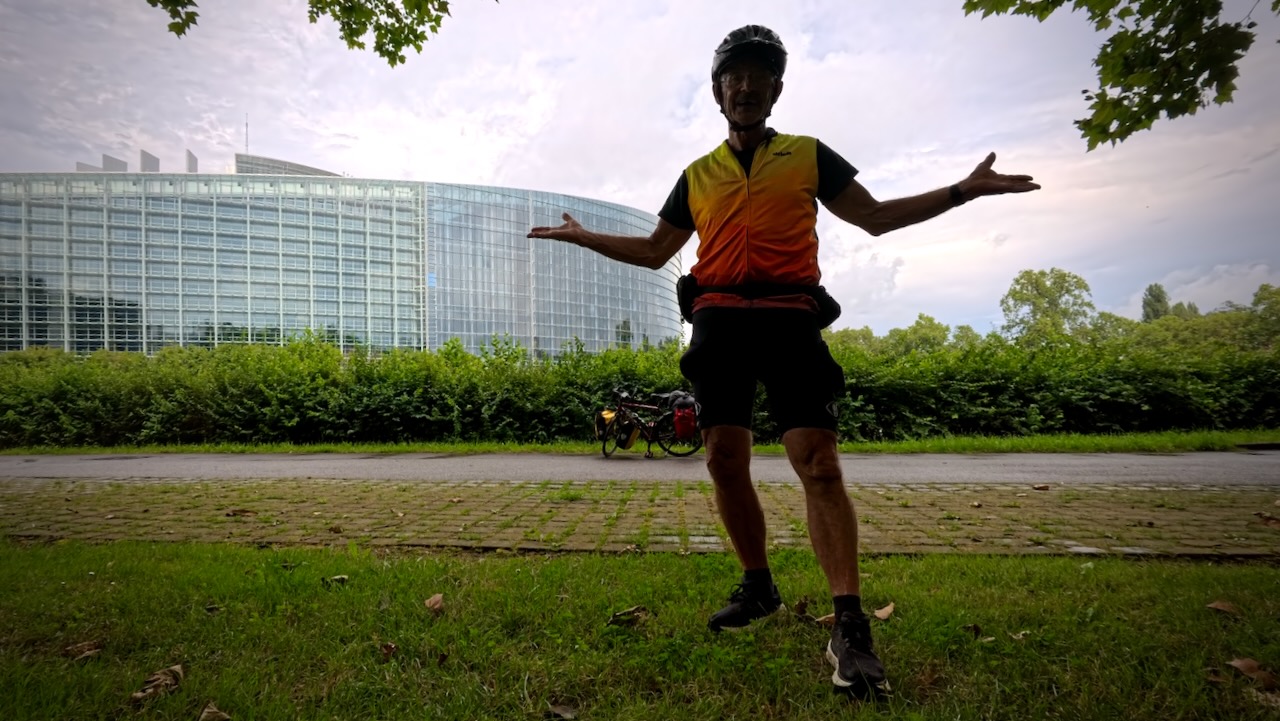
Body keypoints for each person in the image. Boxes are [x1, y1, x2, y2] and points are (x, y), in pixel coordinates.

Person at [528, 24, 1040, 698]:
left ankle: (850, 625)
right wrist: (582, 236)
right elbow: (656, 251)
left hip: (790, 316)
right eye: (733, 76)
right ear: (717, 92)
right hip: (717, 320)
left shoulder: (807, 155)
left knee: (818, 462)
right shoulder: (697, 175)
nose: (745, 86)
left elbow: (876, 217)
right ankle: (757, 585)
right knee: (722, 458)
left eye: (759, 75)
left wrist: (961, 191)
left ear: (776, 89)